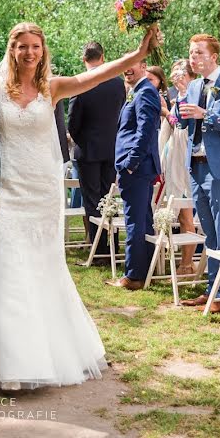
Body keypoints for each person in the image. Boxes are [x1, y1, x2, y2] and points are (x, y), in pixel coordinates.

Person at [0, 20, 158, 390]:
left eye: (36, 46)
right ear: (11, 49)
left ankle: (38, 350)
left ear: (42, 50)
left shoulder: (53, 87)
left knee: (40, 265)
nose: (30, 52)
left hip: (42, 190)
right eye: (22, 46)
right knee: (2, 260)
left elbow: (97, 76)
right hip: (4, 188)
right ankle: (1, 353)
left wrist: (139, 54)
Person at [175, 34, 220, 313]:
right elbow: (182, 121)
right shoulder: (194, 86)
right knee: (208, 229)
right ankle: (213, 289)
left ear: (214, 56)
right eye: (191, 54)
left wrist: (206, 114)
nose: (193, 58)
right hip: (196, 165)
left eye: (198, 53)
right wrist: (181, 99)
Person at [67, 41, 126, 259]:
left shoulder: (80, 83)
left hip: (88, 151)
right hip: (112, 150)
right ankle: (113, 245)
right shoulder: (118, 84)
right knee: (109, 198)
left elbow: (73, 123)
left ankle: (99, 249)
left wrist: (81, 140)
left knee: (92, 200)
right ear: (103, 57)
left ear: (84, 60)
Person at [106, 59, 161, 289]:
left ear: (144, 66)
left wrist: (130, 164)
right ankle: (145, 270)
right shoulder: (137, 91)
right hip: (138, 168)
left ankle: (134, 276)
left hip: (136, 168)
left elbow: (145, 131)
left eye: (133, 64)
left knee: (134, 221)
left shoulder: (145, 92)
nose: (127, 69)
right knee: (143, 220)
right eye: (125, 65)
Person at [162, 59, 198, 274]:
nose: (178, 78)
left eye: (182, 74)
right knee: (182, 213)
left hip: (185, 158)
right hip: (174, 156)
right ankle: (185, 262)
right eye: (175, 74)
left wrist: (167, 112)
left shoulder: (193, 97)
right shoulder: (179, 98)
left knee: (186, 213)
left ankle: (187, 264)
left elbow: (184, 127)